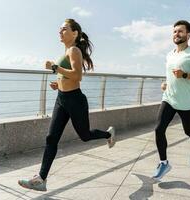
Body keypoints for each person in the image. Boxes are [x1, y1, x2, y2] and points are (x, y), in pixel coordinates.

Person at [18, 19, 116, 191]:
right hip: (62, 99)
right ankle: (41, 179)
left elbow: (77, 76)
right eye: (60, 29)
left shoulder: (74, 50)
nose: (60, 32)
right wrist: (59, 83)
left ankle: (108, 135)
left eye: (64, 29)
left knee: (85, 136)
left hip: (75, 100)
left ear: (75, 33)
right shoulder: (65, 52)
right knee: (51, 138)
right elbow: (68, 76)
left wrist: (56, 68)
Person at [152, 20, 190, 181]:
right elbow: (171, 75)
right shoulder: (170, 54)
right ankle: (164, 163)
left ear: (188, 35)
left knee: (189, 131)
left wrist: (185, 75)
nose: (176, 34)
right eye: (175, 31)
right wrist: (166, 83)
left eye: (180, 31)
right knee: (158, 129)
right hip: (169, 98)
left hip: (187, 102)